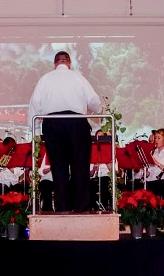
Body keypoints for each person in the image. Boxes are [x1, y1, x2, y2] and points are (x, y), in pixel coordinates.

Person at [28, 50, 102, 213]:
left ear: (55, 64)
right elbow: (94, 101)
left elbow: (34, 104)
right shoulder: (78, 77)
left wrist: (34, 131)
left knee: (58, 166)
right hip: (76, 123)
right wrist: (99, 110)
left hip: (52, 124)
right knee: (80, 165)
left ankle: (63, 207)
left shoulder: (45, 79)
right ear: (69, 63)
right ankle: (81, 207)